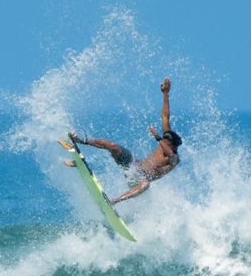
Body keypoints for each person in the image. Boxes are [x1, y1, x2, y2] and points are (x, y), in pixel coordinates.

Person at [68, 77, 182, 205]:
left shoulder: (174, 159)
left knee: (146, 184)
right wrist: (166, 94)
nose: (162, 143)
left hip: (138, 179)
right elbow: (165, 117)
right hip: (133, 164)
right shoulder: (166, 140)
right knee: (112, 146)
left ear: (172, 145)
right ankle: (80, 140)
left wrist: (158, 138)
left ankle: (114, 201)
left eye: (165, 143)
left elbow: (171, 155)